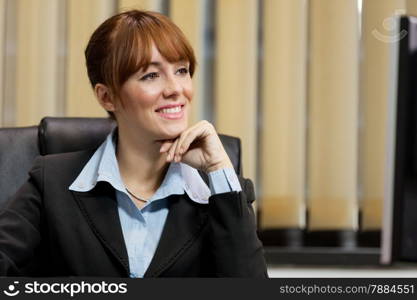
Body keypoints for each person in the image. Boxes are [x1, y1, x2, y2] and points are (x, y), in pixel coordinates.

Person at [0, 10, 267, 277]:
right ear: (107, 97)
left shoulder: (217, 190)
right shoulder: (51, 182)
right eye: (151, 75)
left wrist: (219, 169)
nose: (176, 89)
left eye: (182, 70)